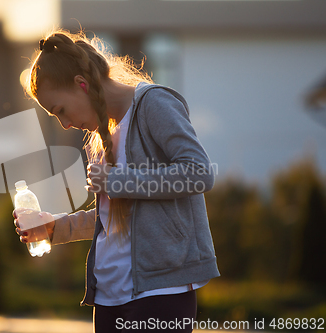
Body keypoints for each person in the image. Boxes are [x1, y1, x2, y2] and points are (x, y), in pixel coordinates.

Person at [13, 30, 220, 333]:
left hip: (160, 294)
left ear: (81, 85)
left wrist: (119, 181)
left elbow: (199, 173)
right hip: (108, 300)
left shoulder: (153, 104)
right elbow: (120, 220)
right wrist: (56, 226)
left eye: (60, 110)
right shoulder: (102, 136)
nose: (65, 123)